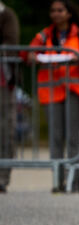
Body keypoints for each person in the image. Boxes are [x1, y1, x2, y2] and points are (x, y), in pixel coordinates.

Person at [26, 0, 79, 193]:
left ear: (69, 13)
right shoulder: (44, 35)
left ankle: (74, 181)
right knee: (55, 137)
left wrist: (78, 57)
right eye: (53, 11)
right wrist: (33, 57)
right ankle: (58, 180)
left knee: (73, 138)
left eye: (60, 10)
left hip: (74, 92)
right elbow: (28, 54)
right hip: (51, 92)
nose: (56, 14)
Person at [0, 2, 19, 193]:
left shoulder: (6, 14)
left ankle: (2, 176)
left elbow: (11, 42)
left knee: (5, 129)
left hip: (3, 82)